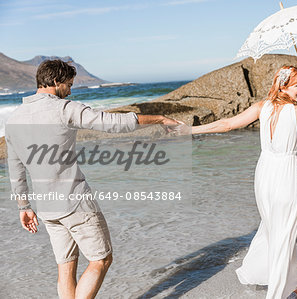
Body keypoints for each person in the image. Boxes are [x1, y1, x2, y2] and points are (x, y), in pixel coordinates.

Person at [5, 59, 180, 299]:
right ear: (55, 81)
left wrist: (23, 207)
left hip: (46, 208)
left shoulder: (13, 120)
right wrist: (159, 119)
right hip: (74, 203)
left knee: (66, 266)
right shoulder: (64, 109)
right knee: (101, 259)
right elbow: (113, 123)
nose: (70, 90)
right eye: (68, 84)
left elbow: (16, 169)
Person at [190, 66, 297, 299]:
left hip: (264, 175)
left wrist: (190, 129)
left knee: (276, 231)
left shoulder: (262, 107)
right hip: (286, 175)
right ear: (283, 86)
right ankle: (276, 294)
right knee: (283, 233)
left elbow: (227, 124)